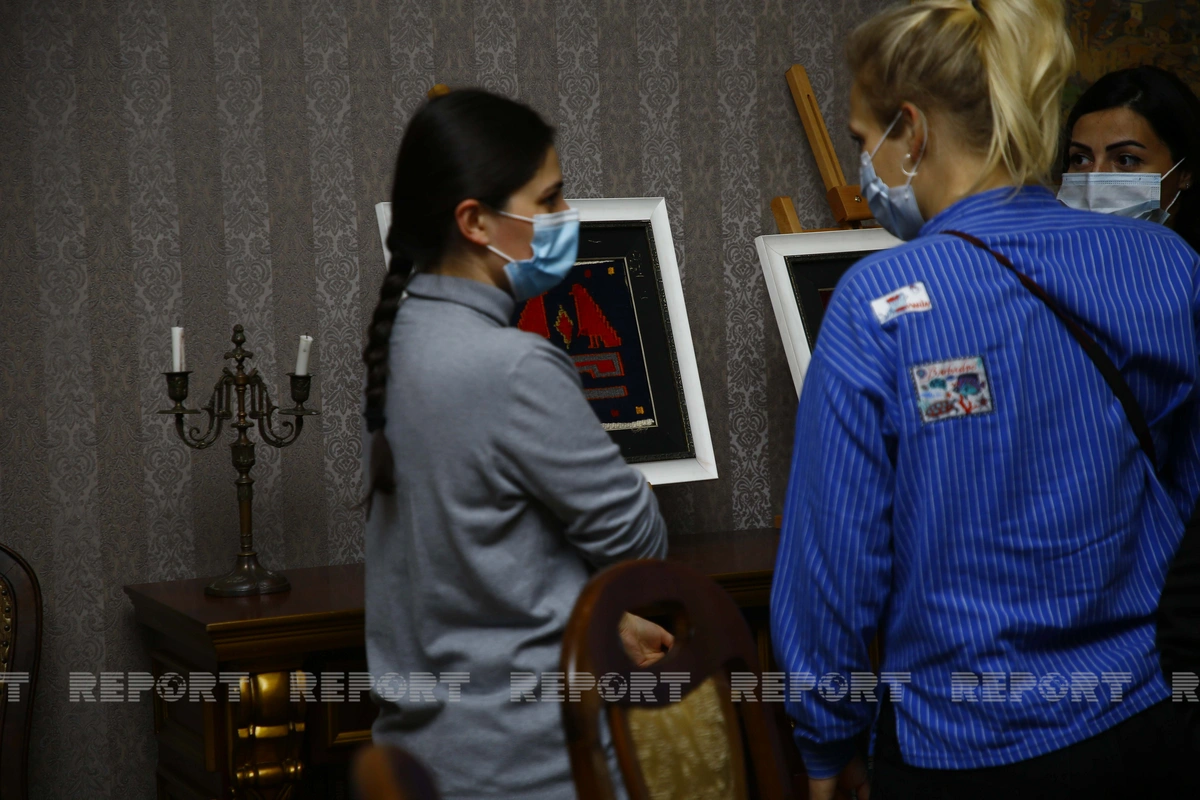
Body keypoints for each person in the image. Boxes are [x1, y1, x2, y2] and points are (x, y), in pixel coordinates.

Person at [769, 1, 1200, 799]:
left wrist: (825, 738)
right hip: (1148, 721)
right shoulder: (1165, 263)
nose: (866, 166)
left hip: (964, 745)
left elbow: (833, 567)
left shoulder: (878, 302)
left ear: (911, 130)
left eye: (863, 141)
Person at [361, 89, 669, 800]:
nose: (567, 215)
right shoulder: (513, 365)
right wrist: (631, 489)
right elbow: (638, 546)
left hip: (428, 752)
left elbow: (480, 560)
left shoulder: (400, 341)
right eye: (550, 199)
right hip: (532, 763)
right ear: (475, 221)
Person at [1060, 65, 1200, 252]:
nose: (1094, 181)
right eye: (1081, 159)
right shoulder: (1045, 263)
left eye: (1126, 160)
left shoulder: (1189, 267)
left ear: (1186, 172)